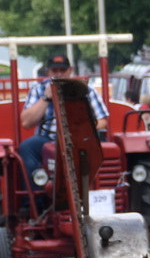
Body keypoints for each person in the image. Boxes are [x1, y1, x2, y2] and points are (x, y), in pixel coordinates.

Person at [19, 53, 109, 194]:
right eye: (55, 71)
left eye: (62, 70)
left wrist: (81, 129)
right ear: (48, 72)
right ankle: (35, 199)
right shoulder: (38, 89)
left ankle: (104, 192)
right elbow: (26, 122)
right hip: (47, 139)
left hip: (79, 139)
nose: (59, 74)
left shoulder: (86, 90)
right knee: (27, 147)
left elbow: (103, 121)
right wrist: (46, 97)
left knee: (105, 149)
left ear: (70, 70)